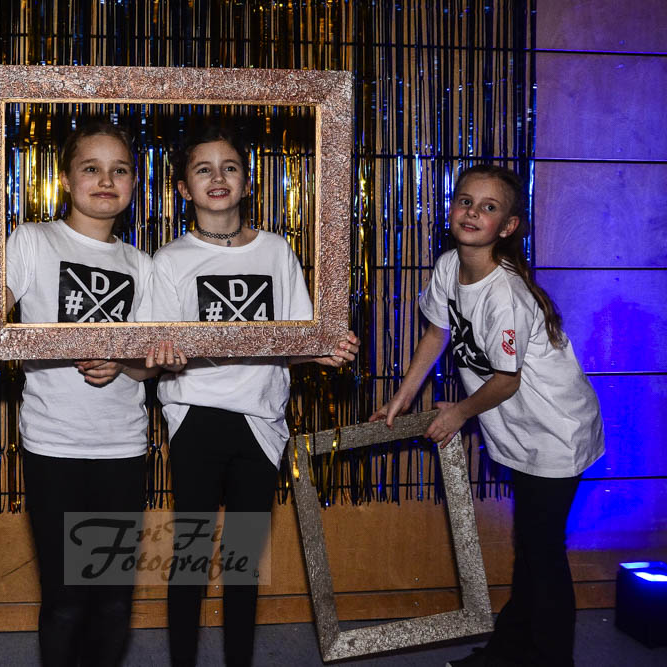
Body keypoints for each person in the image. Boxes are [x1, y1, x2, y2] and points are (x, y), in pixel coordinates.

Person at [370, 164, 604, 667]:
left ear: (508, 226)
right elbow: (438, 332)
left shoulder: (505, 294)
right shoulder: (449, 266)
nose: (473, 212)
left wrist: (458, 412)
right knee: (533, 547)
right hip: (519, 429)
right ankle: (509, 651)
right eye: (465, 201)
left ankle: (547, 658)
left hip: (556, 432)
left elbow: (506, 380)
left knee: (542, 552)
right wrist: (403, 397)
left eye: (489, 207)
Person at [146, 125, 359, 666]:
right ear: (183, 189)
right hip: (196, 417)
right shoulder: (169, 260)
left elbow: (295, 339)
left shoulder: (277, 251)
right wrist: (163, 352)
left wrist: (323, 351)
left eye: (230, 167)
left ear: (247, 181)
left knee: (243, 562)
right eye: (203, 169)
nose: (218, 177)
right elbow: (160, 347)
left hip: (261, 422)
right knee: (191, 558)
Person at [0, 120, 158, 666]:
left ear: (134, 183)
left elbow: (149, 370)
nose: (106, 181)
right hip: (54, 446)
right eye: (91, 168)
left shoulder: (141, 264)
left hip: (121, 447)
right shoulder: (33, 240)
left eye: (119, 170)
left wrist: (123, 361)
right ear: (66, 179)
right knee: (66, 601)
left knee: (112, 602)